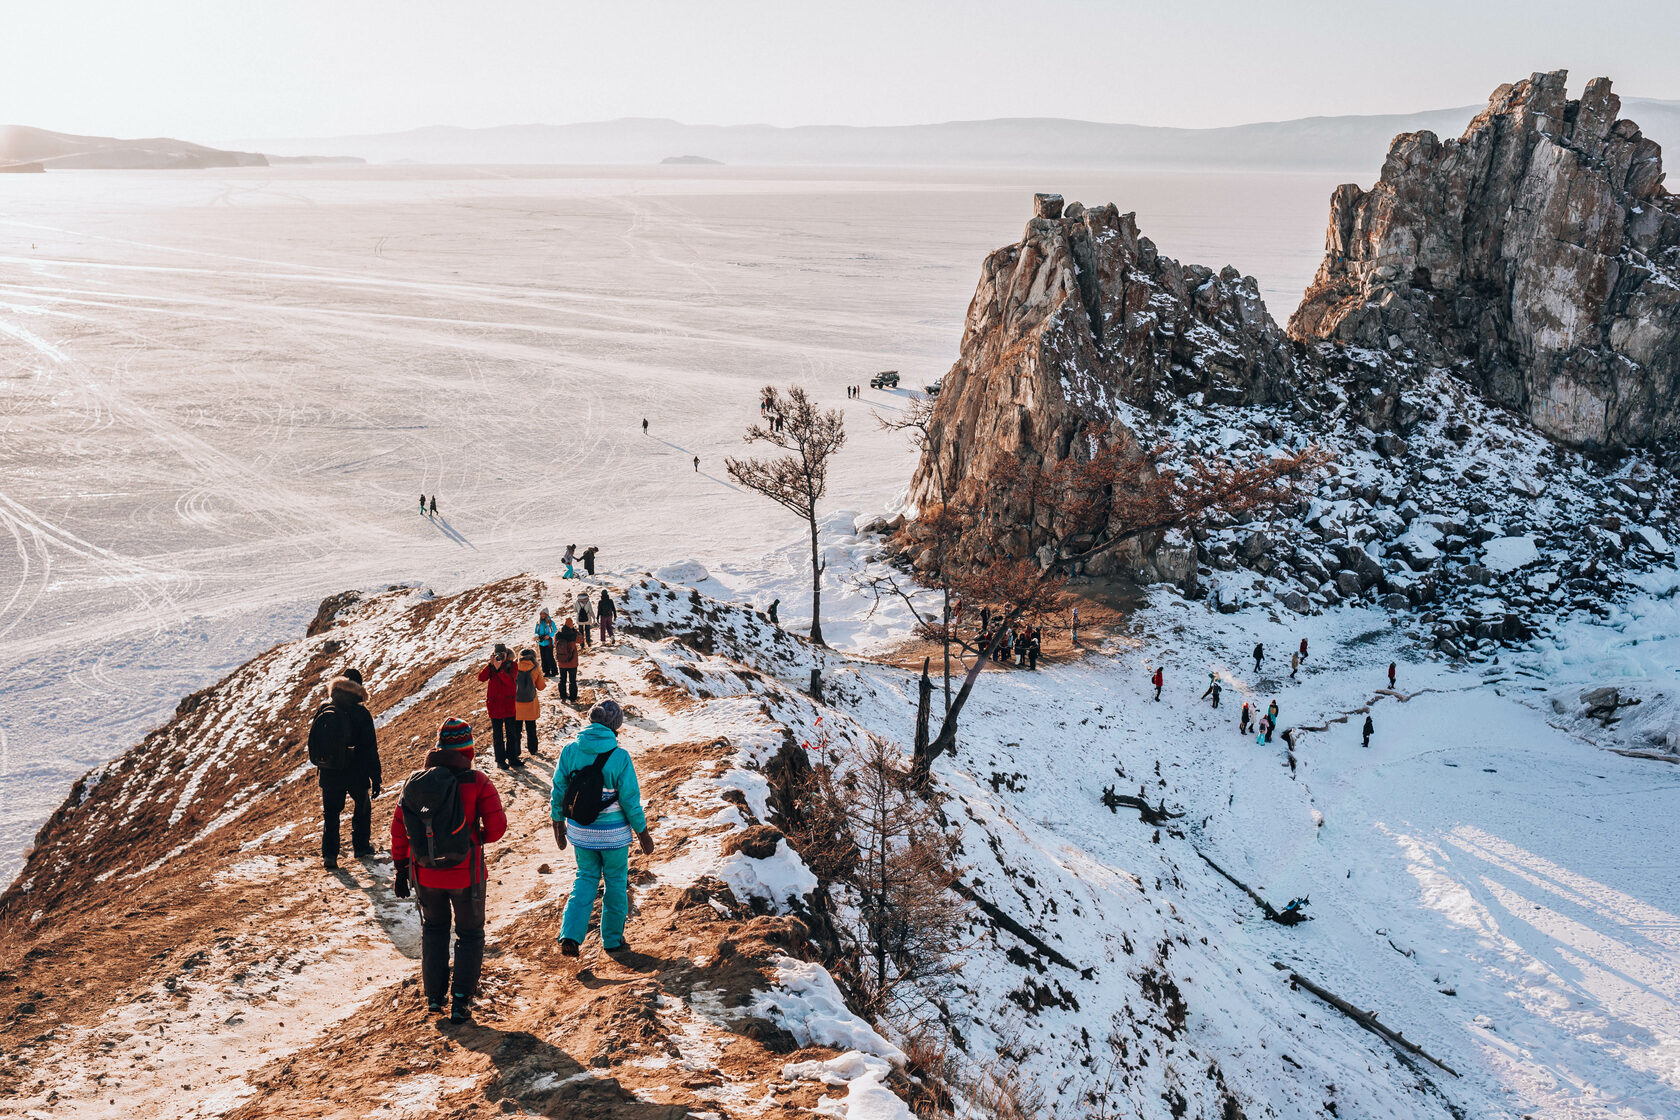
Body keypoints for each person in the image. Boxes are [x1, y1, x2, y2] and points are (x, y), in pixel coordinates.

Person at [392, 717, 507, 1022]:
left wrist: (401, 870)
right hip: (466, 876)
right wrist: (474, 839)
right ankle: (461, 1002)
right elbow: (497, 828)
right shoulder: (478, 781)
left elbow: (399, 829)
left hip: (425, 876)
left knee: (434, 930)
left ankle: (433, 998)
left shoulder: (415, 783)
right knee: (470, 934)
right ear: (468, 750)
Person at [550, 701, 653, 956]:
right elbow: (630, 800)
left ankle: (571, 935)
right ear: (616, 726)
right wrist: (643, 833)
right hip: (614, 836)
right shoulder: (620, 757)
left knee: (585, 878)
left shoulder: (570, 750)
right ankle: (612, 940)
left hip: (581, 832)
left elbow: (559, 789)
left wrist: (557, 822)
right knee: (616, 883)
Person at [310, 668, 382, 869]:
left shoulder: (325, 707)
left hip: (329, 771)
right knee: (362, 808)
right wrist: (375, 776)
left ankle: (330, 856)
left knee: (331, 815)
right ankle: (360, 848)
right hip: (355, 772)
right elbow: (369, 748)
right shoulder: (361, 713)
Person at [477, 646, 519, 770]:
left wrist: (499, 669)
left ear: (507, 654)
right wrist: (490, 665)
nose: (500, 656)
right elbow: (481, 678)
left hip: (508, 705)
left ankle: (513, 758)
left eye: (502, 654)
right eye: (497, 654)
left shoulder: (513, 665)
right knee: (498, 735)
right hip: (495, 705)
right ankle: (500, 760)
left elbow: (510, 682)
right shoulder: (491, 666)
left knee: (512, 733)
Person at [513, 648, 546, 764]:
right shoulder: (535, 668)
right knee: (531, 728)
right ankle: (533, 749)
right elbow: (541, 686)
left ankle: (516, 751)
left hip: (516, 704)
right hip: (530, 703)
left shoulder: (514, 667)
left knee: (516, 730)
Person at [554, 619, 582, 703]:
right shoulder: (573, 635)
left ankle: (563, 697)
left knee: (562, 680)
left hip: (561, 661)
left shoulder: (558, 634)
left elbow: (555, 644)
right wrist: (576, 631)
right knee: (572, 681)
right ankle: (573, 698)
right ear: (571, 625)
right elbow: (581, 640)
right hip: (572, 662)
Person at [535, 609, 559, 677]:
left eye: (544, 614)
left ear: (547, 614)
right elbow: (536, 632)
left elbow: (555, 631)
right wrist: (537, 636)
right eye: (541, 614)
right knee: (543, 657)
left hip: (549, 643)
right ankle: (546, 672)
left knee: (550, 657)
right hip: (541, 642)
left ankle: (554, 671)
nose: (543, 615)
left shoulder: (551, 622)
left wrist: (549, 636)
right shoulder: (538, 623)